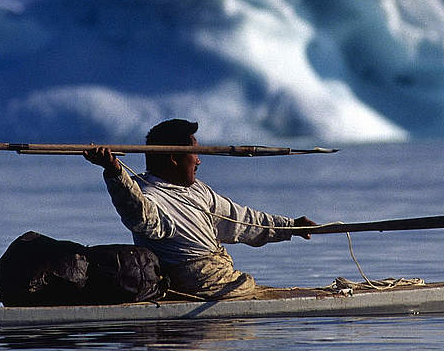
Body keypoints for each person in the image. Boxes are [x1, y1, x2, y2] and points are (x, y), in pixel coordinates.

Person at [84, 119, 316, 299]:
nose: (199, 160)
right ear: (174, 158)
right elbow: (140, 217)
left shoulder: (198, 191)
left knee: (246, 284)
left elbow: (242, 221)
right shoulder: (150, 195)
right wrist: (114, 172)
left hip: (224, 281)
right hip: (201, 287)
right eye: (195, 153)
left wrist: (292, 226)